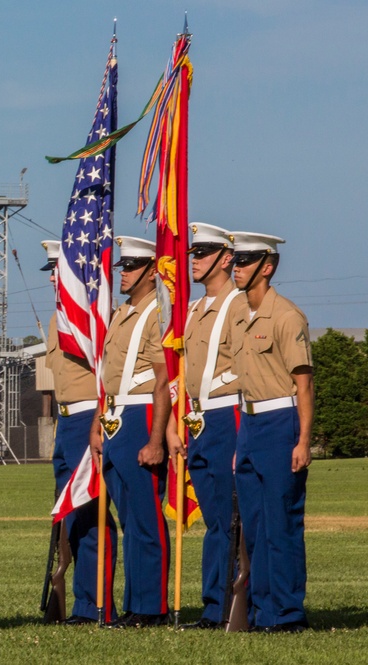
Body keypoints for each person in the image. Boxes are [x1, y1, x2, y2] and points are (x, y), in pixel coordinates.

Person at [228, 232, 313, 633]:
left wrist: (303, 441)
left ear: (267, 265)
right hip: (250, 424)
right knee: (255, 526)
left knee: (281, 523)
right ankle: (261, 611)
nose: (235, 267)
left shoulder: (286, 316)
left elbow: (304, 384)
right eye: (234, 260)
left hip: (282, 422)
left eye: (244, 261)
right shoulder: (239, 315)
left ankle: (287, 613)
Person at [165, 223, 244, 629]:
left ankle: (234, 603)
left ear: (226, 258)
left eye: (203, 254)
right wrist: (174, 423)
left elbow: (250, 367)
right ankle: (214, 605)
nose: (193, 261)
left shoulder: (238, 306)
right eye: (193, 254)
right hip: (196, 419)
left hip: (227, 415)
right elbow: (182, 373)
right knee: (215, 519)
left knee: (232, 517)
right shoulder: (195, 309)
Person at [91, 236, 171, 628]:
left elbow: (162, 380)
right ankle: (135, 601)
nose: (123, 273)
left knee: (146, 517)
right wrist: (97, 425)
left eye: (132, 266)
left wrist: (156, 439)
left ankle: (152, 605)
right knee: (128, 519)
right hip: (116, 416)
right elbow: (107, 377)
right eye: (123, 266)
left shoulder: (158, 313)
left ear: (152, 270)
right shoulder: (123, 313)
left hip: (142, 414)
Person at [40, 239, 117, 624]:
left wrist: (97, 422)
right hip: (65, 420)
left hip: (89, 417)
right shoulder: (58, 319)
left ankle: (96, 605)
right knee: (73, 517)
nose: (55, 278)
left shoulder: (93, 315)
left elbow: (107, 376)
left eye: (60, 271)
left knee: (92, 512)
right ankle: (83, 602)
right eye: (53, 272)